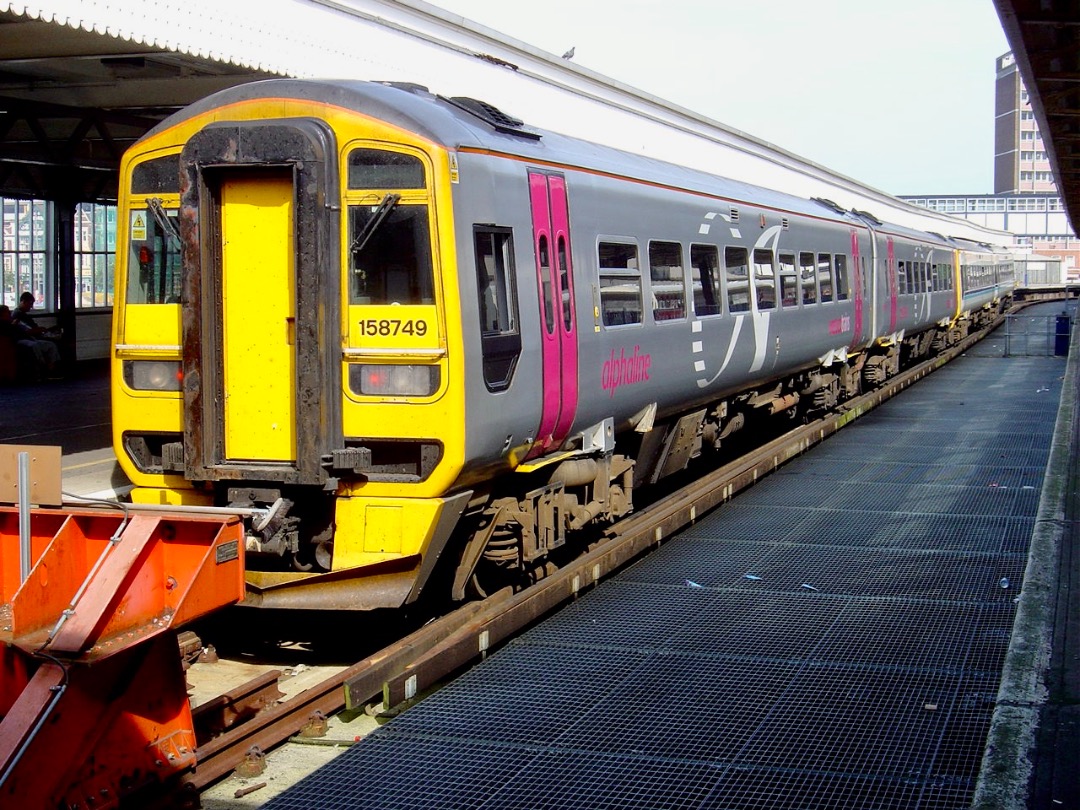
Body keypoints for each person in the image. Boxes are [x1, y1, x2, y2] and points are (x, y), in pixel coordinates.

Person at [7, 294, 61, 380]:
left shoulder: (22, 315)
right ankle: (43, 368)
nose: (31, 307)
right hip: (21, 339)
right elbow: (26, 330)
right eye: (30, 304)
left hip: (30, 338)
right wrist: (39, 330)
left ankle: (50, 369)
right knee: (35, 346)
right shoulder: (17, 315)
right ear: (23, 302)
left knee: (51, 345)